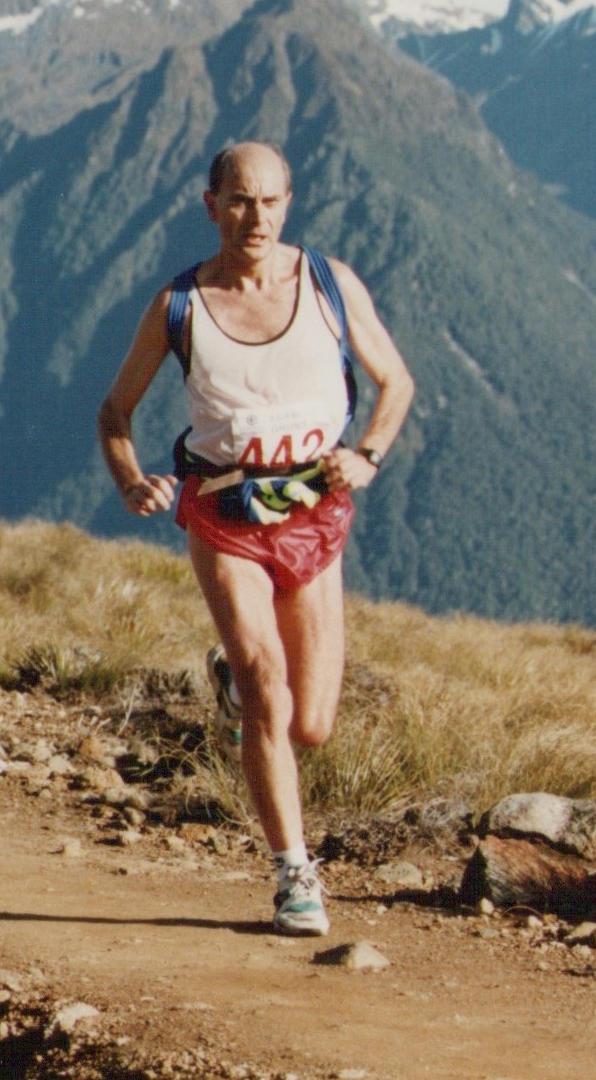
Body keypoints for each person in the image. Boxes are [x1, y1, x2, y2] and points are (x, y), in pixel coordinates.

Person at [97, 141, 414, 936]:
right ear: (210, 205)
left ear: (289, 202)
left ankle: (236, 687)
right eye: (239, 201)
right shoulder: (179, 306)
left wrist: (366, 453)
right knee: (270, 688)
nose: (256, 217)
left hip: (315, 514)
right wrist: (133, 480)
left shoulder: (329, 284)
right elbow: (114, 414)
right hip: (222, 515)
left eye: (270, 201)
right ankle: (293, 875)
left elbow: (395, 382)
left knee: (311, 724)